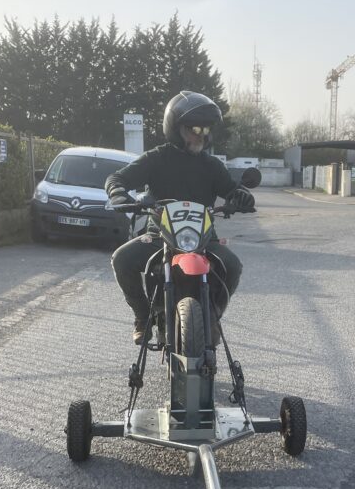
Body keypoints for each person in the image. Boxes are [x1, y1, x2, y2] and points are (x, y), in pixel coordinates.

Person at [106, 91, 256, 345]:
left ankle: (213, 316)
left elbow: (231, 189)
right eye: (194, 129)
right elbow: (117, 178)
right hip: (159, 234)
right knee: (121, 259)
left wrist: (242, 197)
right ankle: (142, 317)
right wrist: (118, 194)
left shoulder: (211, 165)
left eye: (205, 130)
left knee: (232, 265)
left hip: (203, 238)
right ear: (175, 128)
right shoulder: (156, 158)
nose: (201, 135)